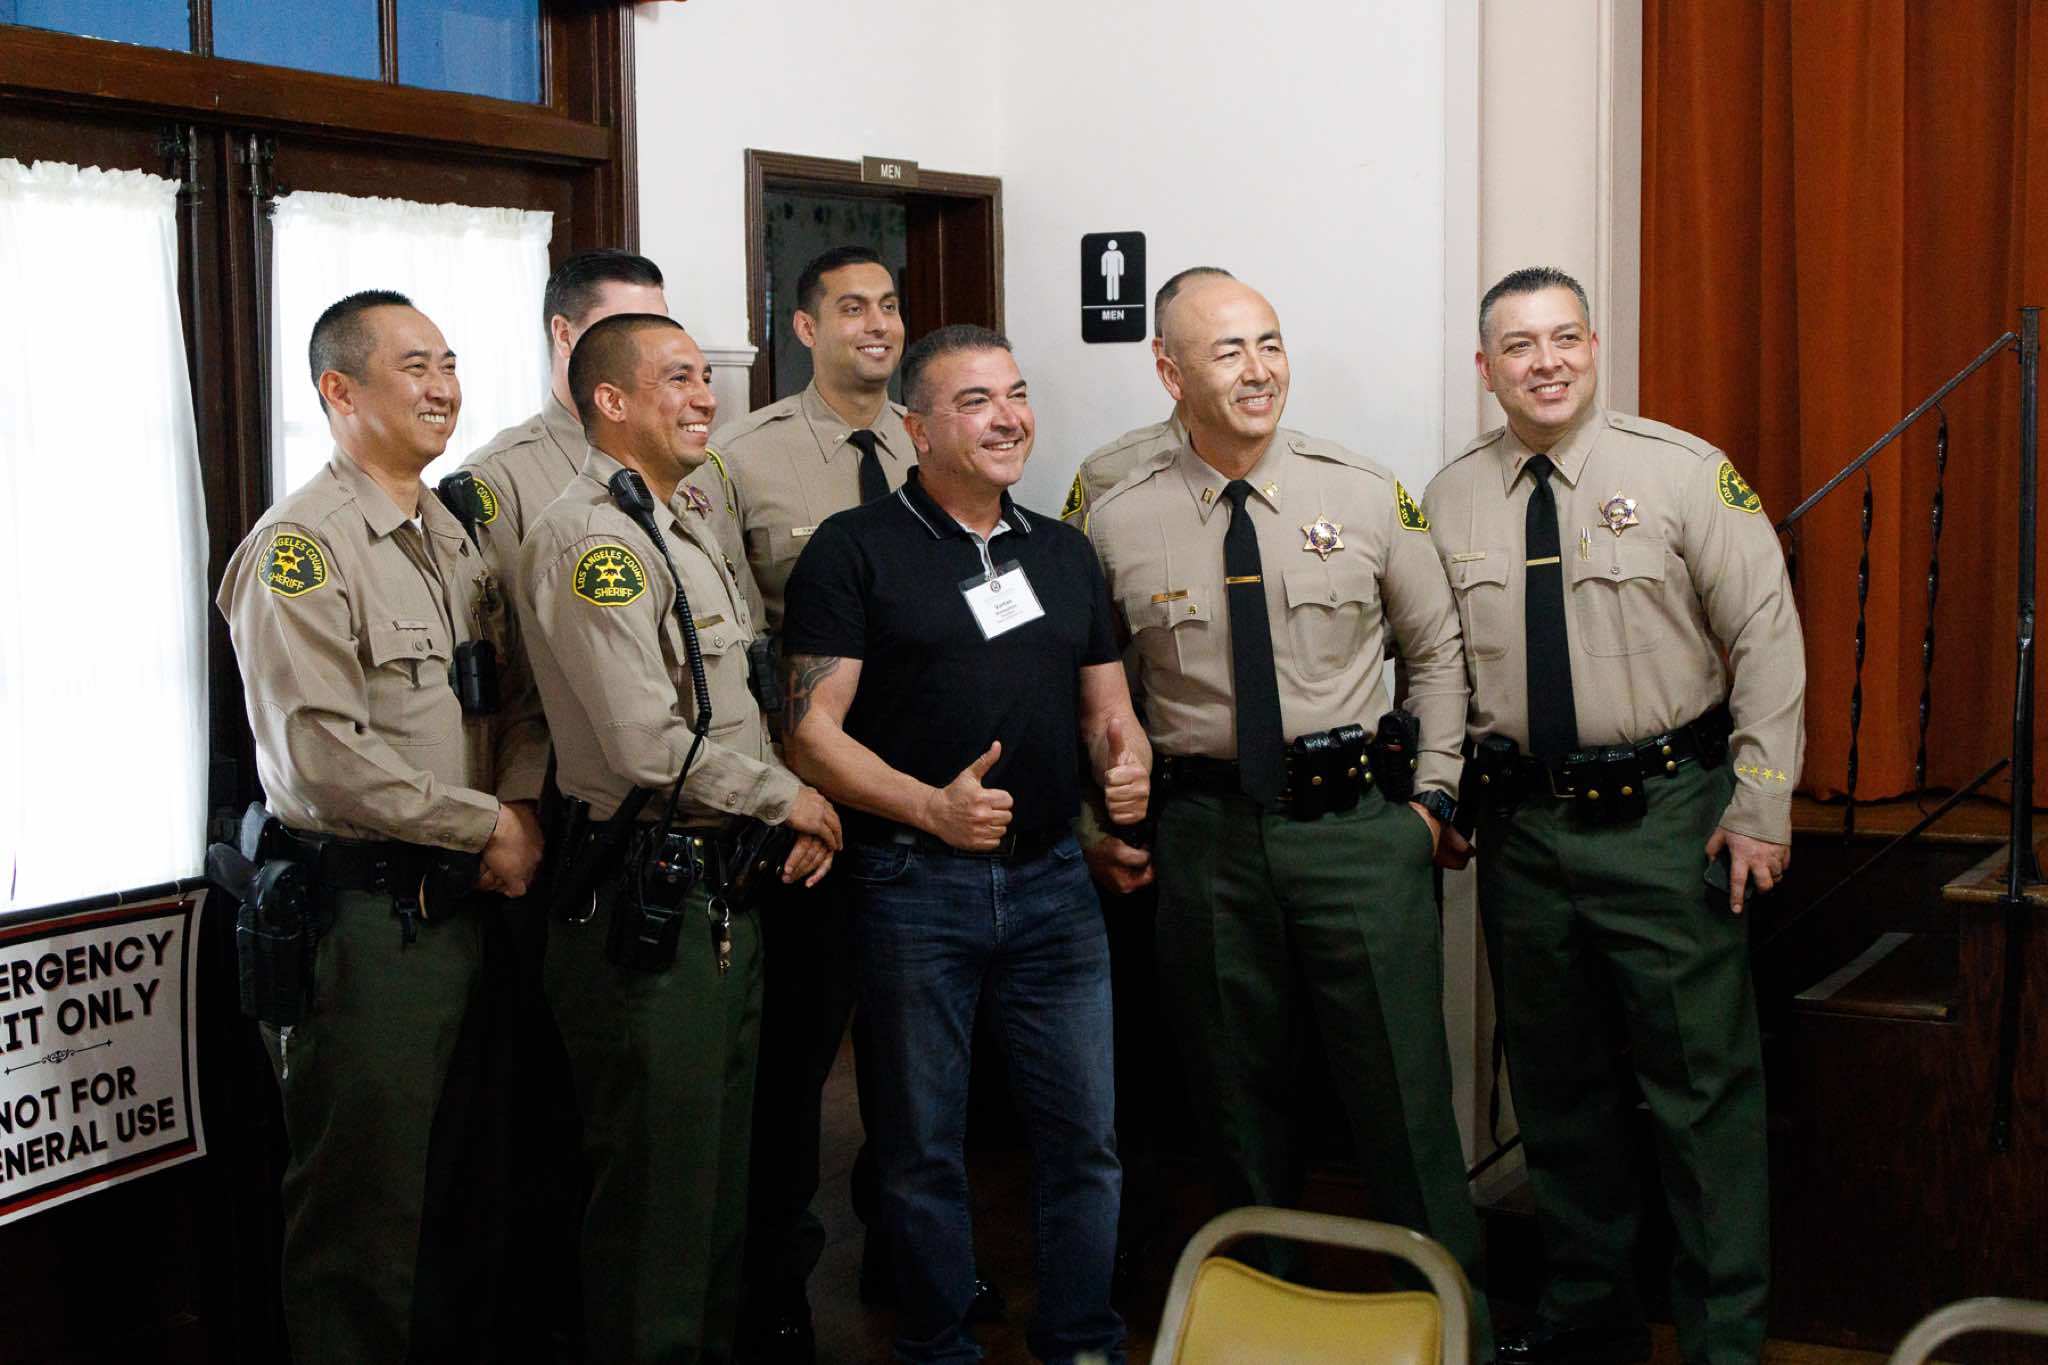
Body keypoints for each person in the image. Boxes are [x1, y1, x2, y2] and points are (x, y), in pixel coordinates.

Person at [1083, 272, 1491, 1350]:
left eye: (1269, 344)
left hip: (1357, 833)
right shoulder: (1115, 517)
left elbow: (1437, 652)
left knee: (1403, 1106)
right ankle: (1256, 1332)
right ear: (1169, 370)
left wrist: (1429, 800)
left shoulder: (1362, 493)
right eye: (1228, 351)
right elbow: (1090, 688)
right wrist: (1098, 820)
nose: (1259, 369)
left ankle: (1454, 1335)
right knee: (1232, 1114)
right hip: (1205, 839)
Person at [1424, 266, 1804, 1365]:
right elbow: (1439, 665)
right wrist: (1444, 790)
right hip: (1523, 832)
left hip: (1667, 819)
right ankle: (1588, 1322)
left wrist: (1760, 802)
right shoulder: (1449, 498)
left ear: (1594, 348)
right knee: (1556, 1092)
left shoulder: (1681, 473)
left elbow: (1766, 637)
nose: (1544, 362)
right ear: (1485, 367)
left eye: (1564, 338)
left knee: (1700, 1096)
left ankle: (1721, 1340)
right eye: (1518, 345)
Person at [781, 324, 1140, 1365]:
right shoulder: (854, 549)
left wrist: (1127, 765)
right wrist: (928, 809)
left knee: (1083, 1140)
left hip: (1052, 882)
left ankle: (1081, 1339)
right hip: (913, 884)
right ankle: (936, 1346)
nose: (1007, 418)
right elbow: (808, 733)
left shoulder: (1060, 550)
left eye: (1015, 394)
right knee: (921, 1146)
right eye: (975, 401)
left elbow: (1106, 711)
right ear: (917, 428)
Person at [216, 289, 549, 1363]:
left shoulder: (453, 534)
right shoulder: (302, 548)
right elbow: (319, 760)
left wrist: (519, 812)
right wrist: (485, 824)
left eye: (449, 363)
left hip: (476, 906)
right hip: (368, 923)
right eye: (415, 366)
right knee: (363, 1214)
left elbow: (515, 701)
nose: (443, 387)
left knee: (470, 1189)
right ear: (340, 389)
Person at [514, 312, 843, 1362]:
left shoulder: (682, 517)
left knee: (712, 1194)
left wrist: (777, 808)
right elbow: (644, 741)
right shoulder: (593, 542)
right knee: (656, 1207)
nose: (706, 397)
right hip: (644, 904)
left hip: (723, 890)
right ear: (610, 401)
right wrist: (787, 798)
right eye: (678, 380)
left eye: (707, 377)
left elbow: (733, 700)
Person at [709, 244, 985, 1356]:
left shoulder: (943, 439)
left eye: (890, 306)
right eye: (852, 308)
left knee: (923, 1057)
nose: (877, 324)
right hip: (815, 809)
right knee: (794, 1063)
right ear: (804, 328)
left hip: (933, 802)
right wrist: (781, 795)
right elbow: (728, 652)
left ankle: (912, 1254)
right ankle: (778, 1276)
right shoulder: (742, 460)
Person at [458, 244, 675, 1357]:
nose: (653, 355)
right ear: (565, 337)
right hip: (555, 816)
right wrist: (513, 810)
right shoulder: (501, 479)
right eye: (625, 328)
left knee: (652, 1113)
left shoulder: (686, 463)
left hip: (671, 819)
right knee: (546, 1099)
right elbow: (495, 675)